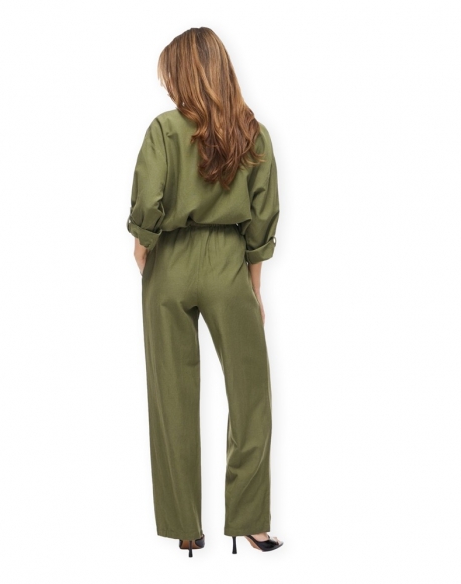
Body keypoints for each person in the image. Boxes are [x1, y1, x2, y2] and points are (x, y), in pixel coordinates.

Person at [126, 27, 283, 557]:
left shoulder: (164, 129)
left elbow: (148, 201)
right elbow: (262, 216)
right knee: (251, 393)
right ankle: (250, 521)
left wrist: (144, 249)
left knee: (170, 393)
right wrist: (254, 289)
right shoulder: (252, 134)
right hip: (228, 262)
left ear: (183, 76)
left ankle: (185, 528)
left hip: (168, 261)